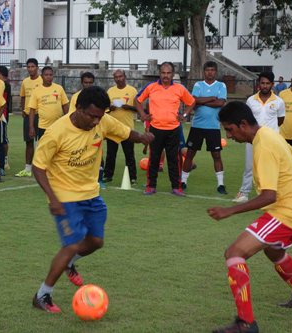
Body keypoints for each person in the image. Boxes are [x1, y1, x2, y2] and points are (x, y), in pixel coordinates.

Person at [31, 86, 155, 312]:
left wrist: (143, 137)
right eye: (92, 116)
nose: (97, 122)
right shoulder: (56, 132)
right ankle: (42, 295)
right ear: (78, 109)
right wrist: (53, 198)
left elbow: (128, 133)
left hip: (92, 194)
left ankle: (69, 264)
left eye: (100, 116)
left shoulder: (103, 120)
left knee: (97, 242)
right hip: (65, 197)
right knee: (71, 245)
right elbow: (38, 169)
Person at [208, 101, 292, 333]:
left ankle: (245, 323)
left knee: (234, 253)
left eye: (230, 129)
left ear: (244, 124)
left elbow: (268, 196)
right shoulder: (269, 133)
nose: (229, 135)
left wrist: (229, 210)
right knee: (273, 249)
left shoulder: (264, 145)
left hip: (286, 211)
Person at [135, 62, 196, 196]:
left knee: (174, 159)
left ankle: (176, 187)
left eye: (168, 73)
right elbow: (137, 100)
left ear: (173, 74)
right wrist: (143, 115)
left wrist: (184, 115)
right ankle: (151, 186)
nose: (166, 75)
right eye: (163, 72)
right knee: (154, 158)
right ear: (159, 73)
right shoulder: (151, 87)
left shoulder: (179, 88)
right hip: (155, 129)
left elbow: (192, 102)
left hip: (173, 129)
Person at [233, 71, 285, 203]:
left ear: (272, 84)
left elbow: (280, 120)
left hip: (272, 140)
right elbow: (247, 120)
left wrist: (269, 132)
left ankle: (275, 194)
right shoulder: (251, 100)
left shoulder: (279, 102)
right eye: (263, 83)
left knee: (272, 167)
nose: (265, 86)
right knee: (249, 166)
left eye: (268, 83)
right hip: (253, 139)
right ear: (259, 84)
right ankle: (244, 193)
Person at [181, 61, 227, 194]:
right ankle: (183, 181)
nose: (210, 72)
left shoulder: (221, 85)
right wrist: (211, 98)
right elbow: (193, 102)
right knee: (190, 153)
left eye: (212, 70)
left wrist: (202, 100)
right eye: (208, 70)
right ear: (203, 72)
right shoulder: (198, 85)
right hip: (197, 126)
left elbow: (220, 102)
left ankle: (221, 185)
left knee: (216, 155)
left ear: (216, 72)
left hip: (213, 127)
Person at [103, 70, 139, 185]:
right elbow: (105, 109)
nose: (118, 79)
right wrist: (110, 108)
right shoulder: (110, 91)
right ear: (114, 79)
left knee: (129, 154)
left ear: (125, 77)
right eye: (116, 77)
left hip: (127, 129)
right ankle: (108, 176)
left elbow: (138, 108)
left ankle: (132, 178)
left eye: (120, 76)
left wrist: (130, 107)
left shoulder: (132, 91)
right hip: (112, 129)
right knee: (110, 154)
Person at [16, 58, 42, 177]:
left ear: (37, 68)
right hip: (28, 115)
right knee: (29, 142)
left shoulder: (42, 80)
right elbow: (22, 96)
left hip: (40, 115)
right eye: (28, 67)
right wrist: (23, 109)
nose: (30, 69)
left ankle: (42, 168)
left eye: (32, 66)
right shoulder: (25, 82)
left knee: (42, 142)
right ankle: (27, 169)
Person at [28, 66, 69, 141]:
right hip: (43, 127)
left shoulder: (59, 88)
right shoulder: (36, 91)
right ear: (41, 76)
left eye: (50, 75)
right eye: (46, 75)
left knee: (58, 149)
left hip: (58, 125)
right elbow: (32, 110)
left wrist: (68, 122)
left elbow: (65, 106)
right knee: (43, 150)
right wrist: (31, 127)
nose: (48, 77)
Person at [0, 65, 12, 172]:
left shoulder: (4, 84)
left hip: (2, 115)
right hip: (3, 114)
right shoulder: (4, 84)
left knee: (3, 140)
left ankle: (5, 162)